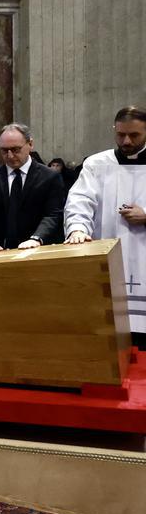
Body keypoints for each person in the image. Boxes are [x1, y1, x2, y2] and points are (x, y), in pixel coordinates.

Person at [64, 106, 146, 348]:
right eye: (120, 135)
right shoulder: (97, 163)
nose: (126, 141)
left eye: (134, 135)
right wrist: (78, 228)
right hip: (109, 251)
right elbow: (80, 200)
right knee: (110, 333)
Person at [0, 123, 65, 252]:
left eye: (16, 149)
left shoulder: (50, 177)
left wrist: (36, 238)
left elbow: (53, 214)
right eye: (4, 150)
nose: (10, 156)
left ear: (30, 144)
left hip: (39, 250)